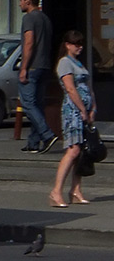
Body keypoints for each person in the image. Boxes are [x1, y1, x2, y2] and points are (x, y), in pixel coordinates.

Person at [49, 30, 97, 207]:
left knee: (81, 152)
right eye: (76, 43)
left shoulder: (79, 63)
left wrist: (93, 108)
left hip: (84, 110)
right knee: (73, 150)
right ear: (67, 45)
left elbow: (88, 87)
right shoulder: (64, 63)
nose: (80, 46)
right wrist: (82, 109)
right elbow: (70, 89)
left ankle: (76, 189)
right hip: (73, 111)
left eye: (81, 43)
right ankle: (56, 191)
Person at [17, 0, 58, 154]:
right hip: (45, 66)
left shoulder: (29, 18)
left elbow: (29, 43)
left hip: (32, 66)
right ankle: (34, 142)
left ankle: (47, 134)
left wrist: (24, 67)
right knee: (38, 104)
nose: (19, 4)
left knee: (28, 103)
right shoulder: (45, 19)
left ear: (28, 1)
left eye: (20, 0)